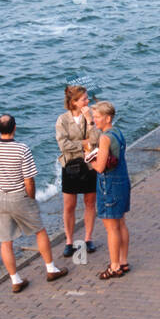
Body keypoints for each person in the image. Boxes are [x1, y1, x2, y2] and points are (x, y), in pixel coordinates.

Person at [0, 114, 68, 293]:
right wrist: (31, 199)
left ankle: (15, 280)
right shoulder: (22, 149)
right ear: (15, 128)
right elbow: (29, 181)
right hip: (20, 196)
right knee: (39, 231)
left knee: (5, 241)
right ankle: (51, 269)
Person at [55, 84, 98, 258]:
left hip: (89, 164)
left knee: (90, 202)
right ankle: (69, 241)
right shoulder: (62, 120)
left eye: (87, 98)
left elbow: (96, 140)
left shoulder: (92, 116)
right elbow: (63, 145)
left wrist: (90, 121)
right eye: (84, 99)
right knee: (69, 205)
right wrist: (83, 144)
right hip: (70, 165)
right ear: (74, 102)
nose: (87, 101)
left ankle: (88, 238)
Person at [89, 100, 131, 279]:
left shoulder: (104, 138)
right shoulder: (118, 133)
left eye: (98, 117)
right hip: (122, 181)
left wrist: (88, 157)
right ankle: (123, 261)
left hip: (109, 185)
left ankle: (114, 266)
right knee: (121, 223)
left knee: (111, 228)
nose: (95, 120)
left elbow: (99, 167)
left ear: (107, 118)